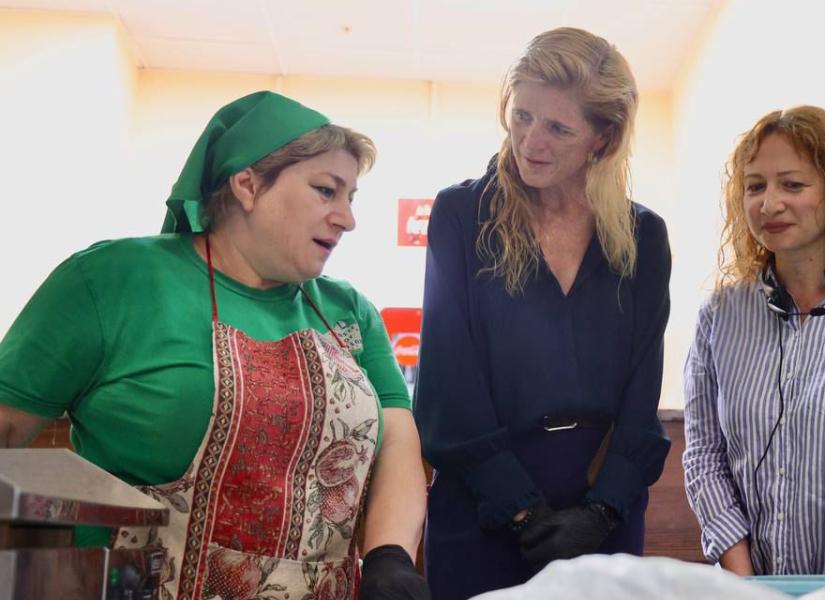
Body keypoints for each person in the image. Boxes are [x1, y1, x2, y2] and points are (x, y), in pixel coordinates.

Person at [0, 91, 429, 600]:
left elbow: (397, 439)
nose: (346, 218)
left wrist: (388, 558)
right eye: (325, 191)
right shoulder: (114, 281)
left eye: (351, 198)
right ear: (247, 184)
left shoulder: (348, 310)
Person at [414, 27, 672, 600]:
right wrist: (522, 511)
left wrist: (603, 511)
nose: (531, 141)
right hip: (483, 502)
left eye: (558, 128)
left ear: (603, 138)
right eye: (522, 116)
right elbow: (447, 382)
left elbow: (641, 388)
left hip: (601, 503)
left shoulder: (643, 237)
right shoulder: (461, 215)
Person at [681, 106, 825, 576]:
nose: (769, 203)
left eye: (793, 184)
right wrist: (743, 581)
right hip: (750, 584)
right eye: (755, 186)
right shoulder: (720, 315)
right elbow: (703, 455)